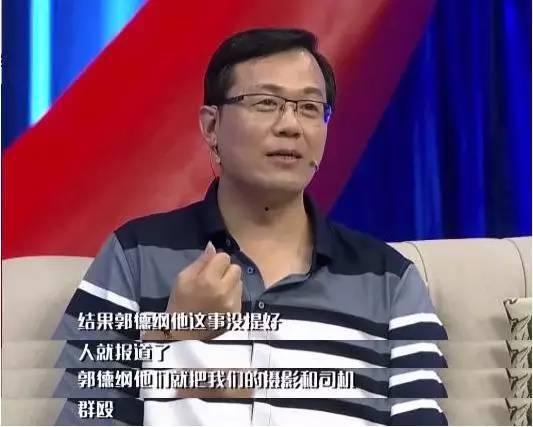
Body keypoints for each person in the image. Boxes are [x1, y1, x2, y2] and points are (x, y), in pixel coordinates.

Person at [53, 28, 448, 425]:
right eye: (266, 103)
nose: (290, 125)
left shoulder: (388, 281)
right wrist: (173, 333)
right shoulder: (136, 256)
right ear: (211, 126)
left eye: (310, 108)